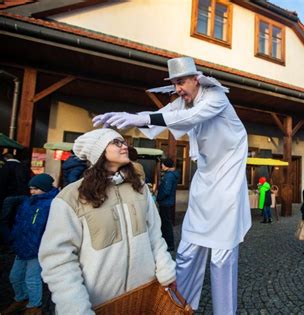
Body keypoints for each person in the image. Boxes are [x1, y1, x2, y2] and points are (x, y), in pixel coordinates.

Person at [92, 56, 251, 314]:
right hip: (204, 181)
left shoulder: (216, 97)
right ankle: (181, 308)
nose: (177, 89)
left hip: (228, 182)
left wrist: (141, 120)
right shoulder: (183, 103)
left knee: (222, 259)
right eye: (174, 83)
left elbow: (190, 118)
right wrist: (130, 117)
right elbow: (162, 117)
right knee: (188, 250)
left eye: (180, 82)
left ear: (196, 79)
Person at [38, 129, 176, 314]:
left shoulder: (140, 188)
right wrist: (76, 308)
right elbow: (58, 259)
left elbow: (154, 235)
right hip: (99, 303)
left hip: (144, 296)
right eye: (116, 143)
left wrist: (166, 273)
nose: (124, 146)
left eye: (123, 142)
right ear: (99, 151)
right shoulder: (71, 197)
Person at [2, 173, 59, 315]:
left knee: (32, 279)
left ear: (45, 188)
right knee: (14, 276)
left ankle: (35, 305)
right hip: (21, 246)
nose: (32, 191)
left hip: (36, 248)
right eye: (31, 188)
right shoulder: (28, 202)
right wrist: (14, 238)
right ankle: (21, 298)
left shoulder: (52, 204)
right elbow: (18, 221)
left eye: (35, 189)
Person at [157, 158, 179, 251]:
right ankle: (167, 243)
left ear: (166, 165)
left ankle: (170, 245)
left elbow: (166, 190)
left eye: (162, 164)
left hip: (166, 202)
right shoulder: (171, 174)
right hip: (168, 202)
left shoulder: (169, 176)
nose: (161, 166)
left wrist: (159, 198)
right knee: (166, 223)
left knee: (166, 224)